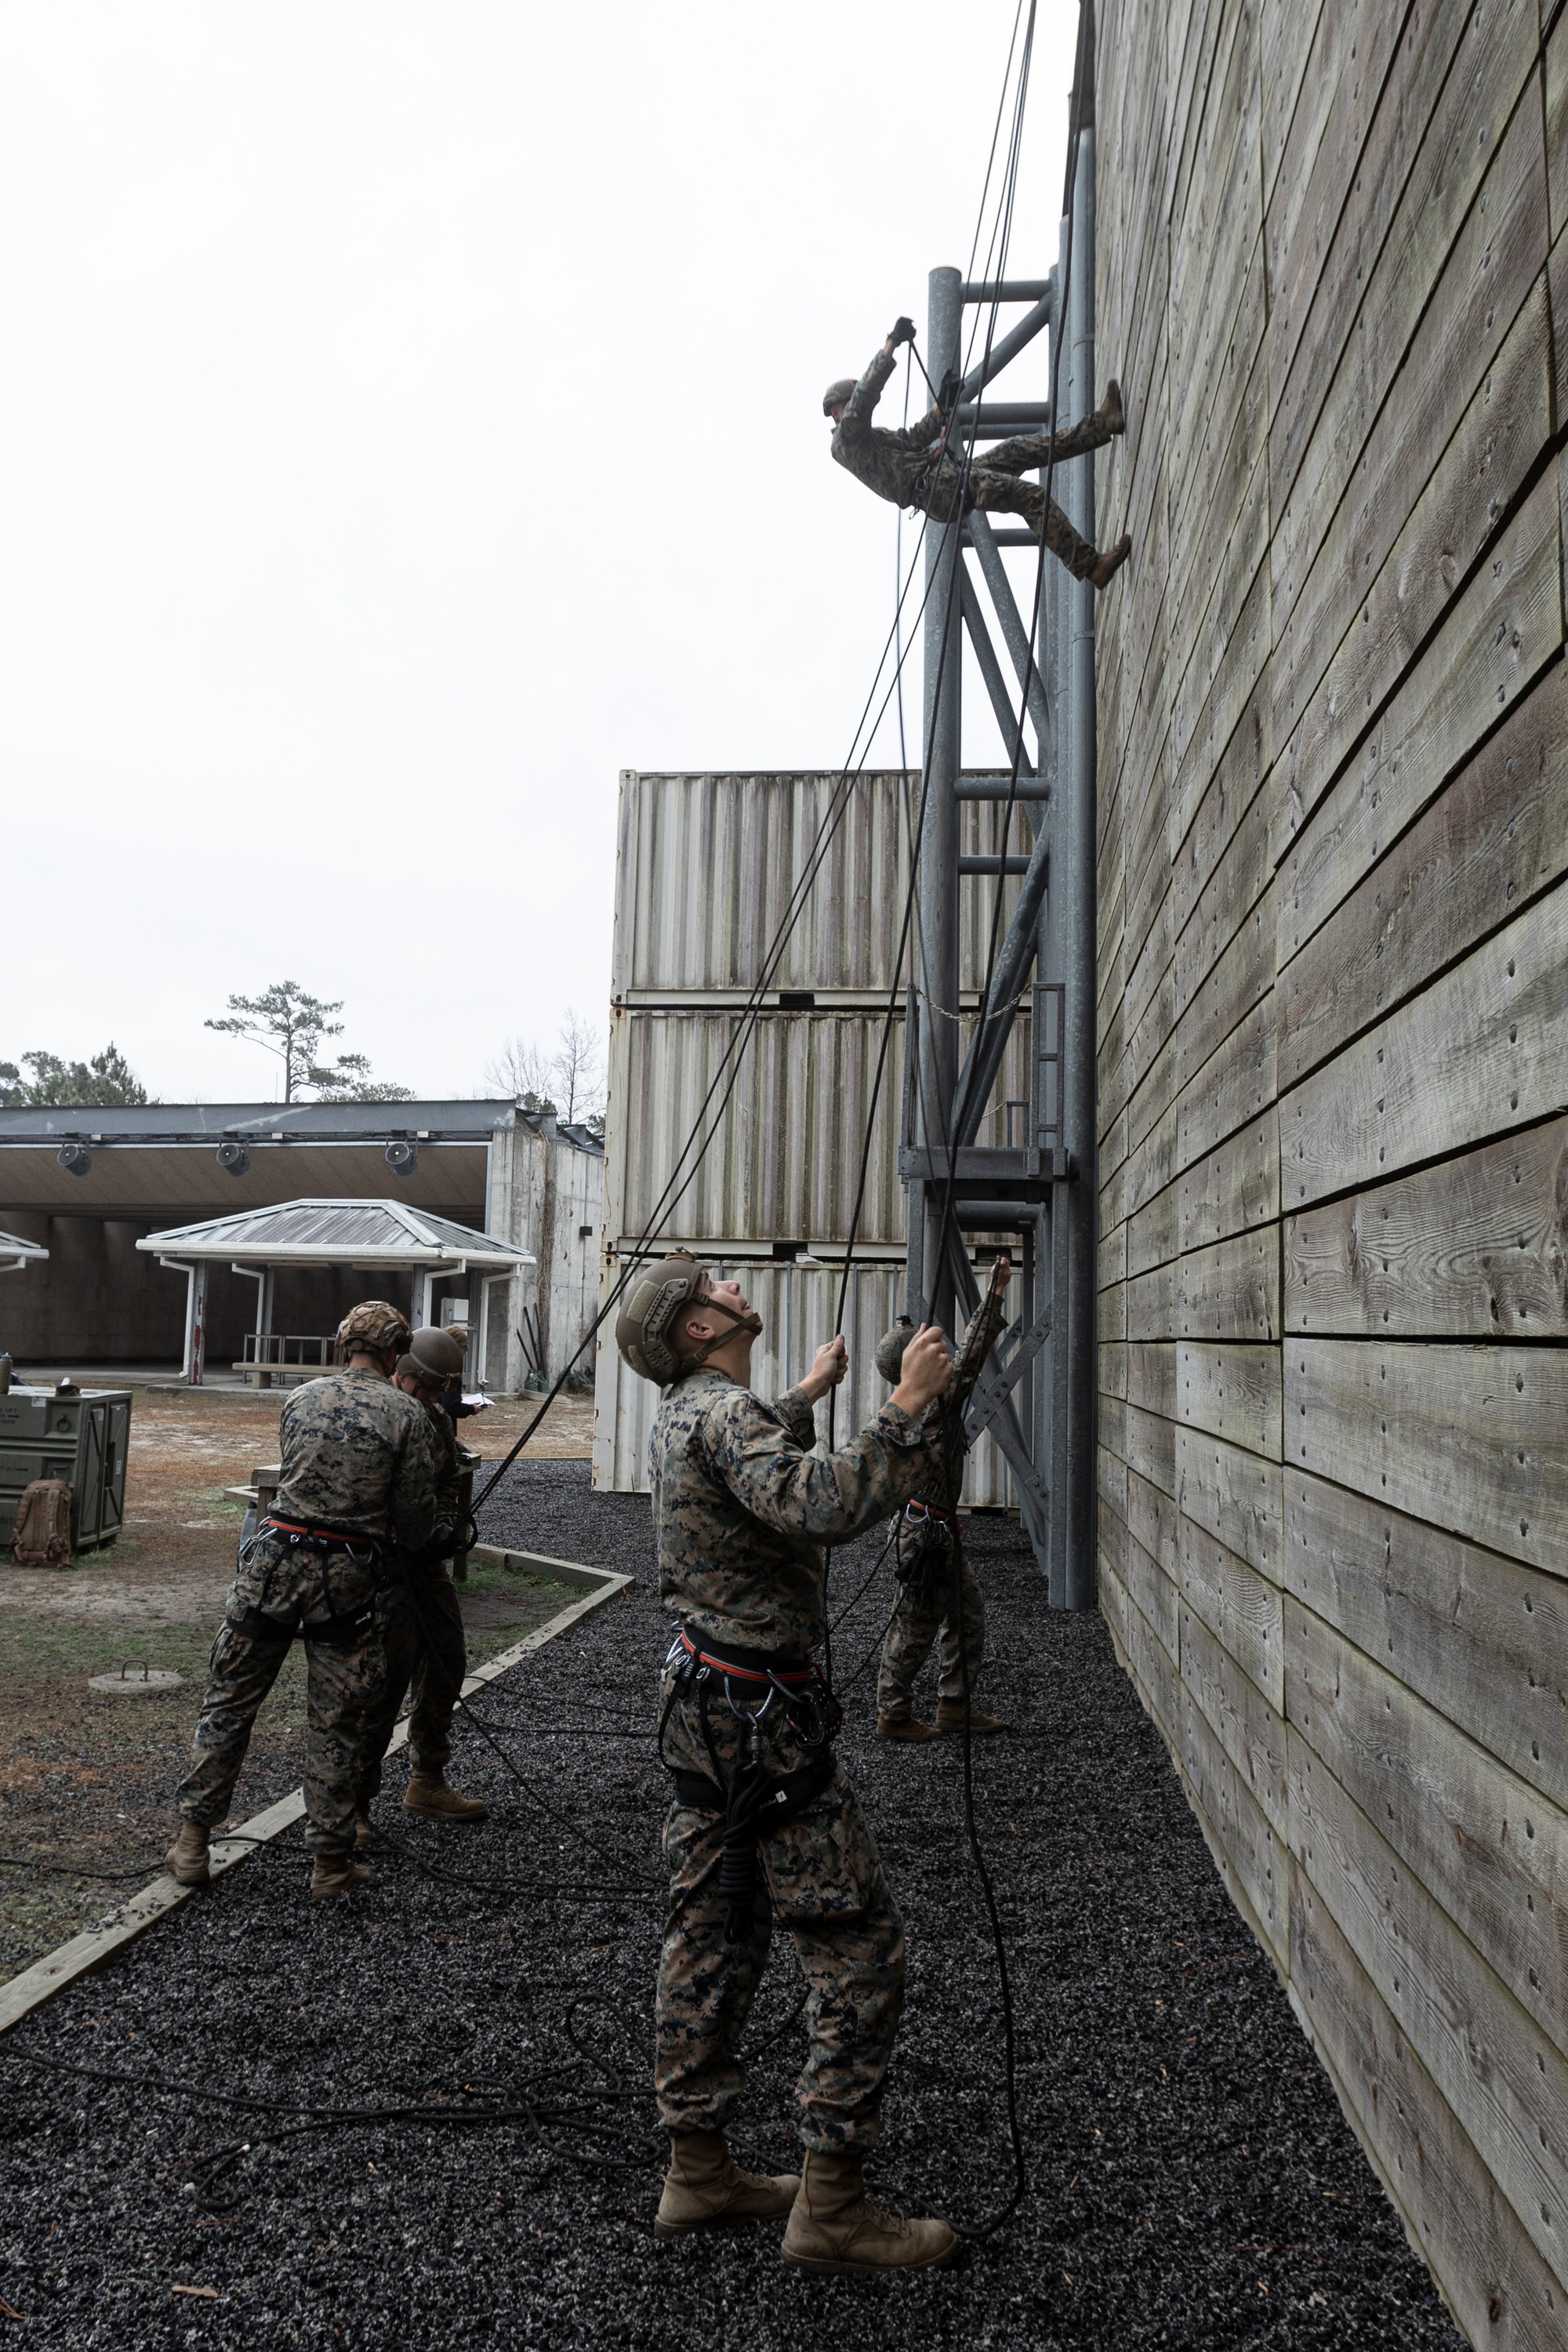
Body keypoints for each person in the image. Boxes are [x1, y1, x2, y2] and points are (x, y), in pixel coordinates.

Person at [617, 1254, 965, 2274]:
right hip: (761, 1720)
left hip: (704, 1703)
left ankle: (698, 2170)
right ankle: (833, 2210)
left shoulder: (695, 1411)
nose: (732, 1284)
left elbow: (751, 1470)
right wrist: (904, 1407)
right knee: (860, 1948)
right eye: (716, 1284)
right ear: (696, 1329)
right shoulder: (726, 1415)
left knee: (711, 1930)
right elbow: (813, 1504)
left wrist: (810, 1395)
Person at [165, 1300, 439, 1902]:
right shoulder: (407, 1415)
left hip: (270, 1564)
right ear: (395, 1348)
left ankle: (191, 1843)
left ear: (345, 1344)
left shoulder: (299, 1399)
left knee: (230, 1703)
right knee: (337, 1720)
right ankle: (329, 1863)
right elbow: (416, 1524)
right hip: (344, 1581)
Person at [826, 316, 1131, 590]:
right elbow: (864, 399)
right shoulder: (846, 443)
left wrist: (942, 404)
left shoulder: (871, 438)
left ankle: (1103, 426)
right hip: (939, 488)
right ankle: (1091, 567)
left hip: (947, 477)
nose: (854, 408)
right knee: (1029, 497)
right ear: (838, 410)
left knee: (1017, 449)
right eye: (849, 404)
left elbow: (917, 438)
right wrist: (891, 344)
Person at [354, 1325, 488, 1834]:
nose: (433, 1400)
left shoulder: (433, 1416)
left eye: (440, 1392)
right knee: (381, 1684)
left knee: (447, 1657)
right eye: (427, 1388)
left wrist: (446, 1528)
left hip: (423, 1566)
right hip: (378, 1569)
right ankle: (357, 1802)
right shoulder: (373, 1412)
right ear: (402, 1373)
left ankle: (427, 1779)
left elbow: (448, 1482)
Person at [874, 1261, 1013, 1744]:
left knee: (965, 1610)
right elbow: (972, 1358)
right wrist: (993, 1295)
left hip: (930, 1529)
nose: (942, 1357)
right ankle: (894, 1714)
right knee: (915, 1624)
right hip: (927, 1534)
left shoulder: (906, 1408)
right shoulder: (933, 1406)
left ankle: (955, 1705)